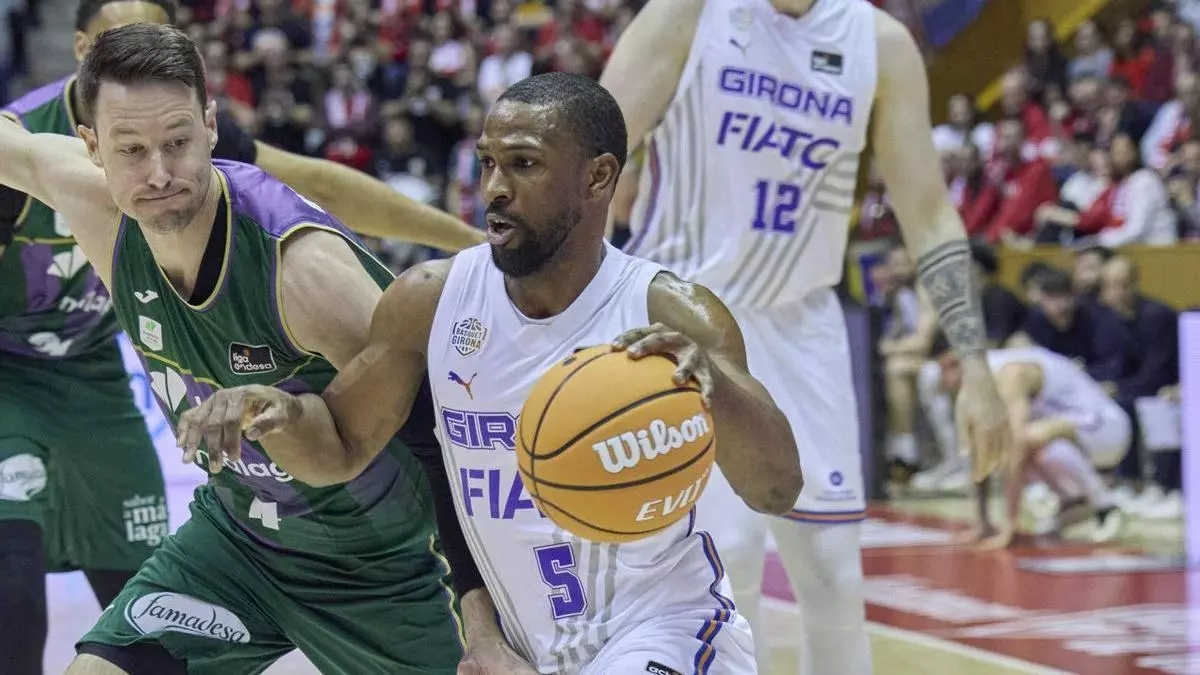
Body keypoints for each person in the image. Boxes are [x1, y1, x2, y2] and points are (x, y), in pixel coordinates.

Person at [177, 72, 805, 675]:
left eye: (523, 164)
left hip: (665, 627)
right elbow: (338, 447)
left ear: (598, 177)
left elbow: (776, 490)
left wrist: (713, 386)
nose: (494, 188)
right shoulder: (428, 301)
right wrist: (276, 408)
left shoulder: (668, 312)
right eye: (486, 163)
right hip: (527, 650)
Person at [0, 1, 484, 671]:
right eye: (131, 150)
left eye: (177, 142)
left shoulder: (303, 272)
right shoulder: (92, 203)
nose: (159, 173)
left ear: (210, 125)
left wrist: (482, 608)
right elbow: (17, 148)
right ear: (92, 146)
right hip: (237, 543)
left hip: (386, 569)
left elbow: (453, 435)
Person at [598, 0, 1012, 671]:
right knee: (725, 567)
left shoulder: (880, 43)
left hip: (803, 327)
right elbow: (587, 154)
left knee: (835, 579)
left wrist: (976, 366)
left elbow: (930, 213)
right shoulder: (689, 14)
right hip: (681, 317)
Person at [938, 342, 1130, 548]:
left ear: (954, 362)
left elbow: (1019, 444)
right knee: (1002, 444)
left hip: (1108, 429)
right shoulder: (980, 379)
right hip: (1070, 433)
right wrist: (982, 522)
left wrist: (1009, 526)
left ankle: (1105, 503)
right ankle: (1073, 500)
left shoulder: (1011, 374)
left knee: (1025, 440)